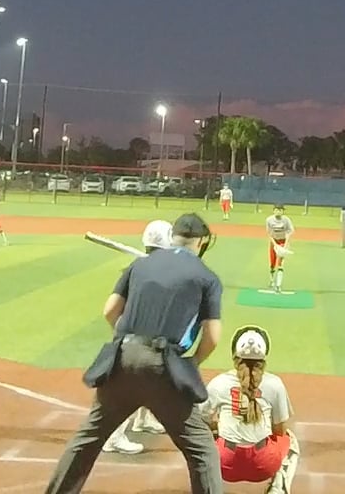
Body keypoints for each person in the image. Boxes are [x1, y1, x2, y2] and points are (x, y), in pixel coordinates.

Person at [43, 212, 225, 494]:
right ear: (201, 242)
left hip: (121, 360)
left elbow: (110, 311)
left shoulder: (139, 264)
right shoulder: (207, 277)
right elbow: (212, 337)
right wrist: (191, 363)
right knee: (202, 450)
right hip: (164, 366)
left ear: (173, 236)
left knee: (87, 441)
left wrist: (131, 341)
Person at [103, 220, 177, 456]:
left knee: (151, 382)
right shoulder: (155, 271)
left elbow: (111, 311)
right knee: (133, 387)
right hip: (138, 340)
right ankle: (113, 437)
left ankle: (143, 419)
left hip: (141, 337)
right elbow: (111, 310)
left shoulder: (138, 268)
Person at [202, 325, 300, 494]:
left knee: (199, 440)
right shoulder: (275, 384)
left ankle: (208, 488)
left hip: (224, 465)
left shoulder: (219, 383)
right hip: (263, 465)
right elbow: (279, 430)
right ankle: (278, 488)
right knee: (290, 440)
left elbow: (201, 419)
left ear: (234, 355)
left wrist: (218, 428)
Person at [264, 205, 295, 293]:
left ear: (283, 212)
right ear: (274, 211)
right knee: (272, 262)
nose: (278, 212)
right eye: (277, 210)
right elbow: (269, 234)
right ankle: (271, 279)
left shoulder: (286, 220)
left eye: (280, 210)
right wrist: (275, 245)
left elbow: (289, 232)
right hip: (274, 242)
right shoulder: (269, 220)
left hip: (283, 241)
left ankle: (278, 285)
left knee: (280, 263)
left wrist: (285, 245)